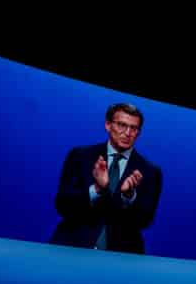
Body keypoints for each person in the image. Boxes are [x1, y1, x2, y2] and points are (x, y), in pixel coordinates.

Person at [50, 103, 162, 254]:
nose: (127, 133)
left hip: (121, 257)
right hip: (72, 247)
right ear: (108, 125)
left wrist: (128, 196)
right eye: (122, 125)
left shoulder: (150, 172)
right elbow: (63, 205)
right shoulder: (80, 156)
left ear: (138, 133)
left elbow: (144, 221)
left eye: (133, 128)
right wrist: (96, 189)